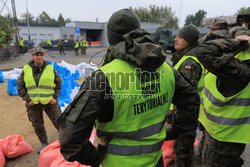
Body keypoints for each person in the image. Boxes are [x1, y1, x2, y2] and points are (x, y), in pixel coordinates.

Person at [58, 9, 200, 167]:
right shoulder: (167, 70)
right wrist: (172, 131)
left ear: (111, 38)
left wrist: (96, 156)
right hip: (155, 161)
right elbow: (191, 101)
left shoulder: (103, 78)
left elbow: (69, 141)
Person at [195, 26, 250, 167]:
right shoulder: (234, 57)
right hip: (215, 131)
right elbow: (201, 44)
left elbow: (202, 51)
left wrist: (238, 42)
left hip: (224, 138)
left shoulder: (243, 66)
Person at [169, 25, 205, 167]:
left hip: (185, 119)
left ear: (189, 40)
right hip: (186, 117)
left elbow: (186, 96)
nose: (175, 39)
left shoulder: (189, 62)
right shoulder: (186, 57)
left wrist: (177, 123)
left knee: (182, 155)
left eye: (180, 36)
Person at [17, 46, 62, 154]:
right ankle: (44, 143)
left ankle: (65, 140)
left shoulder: (50, 68)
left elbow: (59, 83)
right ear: (33, 56)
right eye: (37, 55)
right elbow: (20, 86)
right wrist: (28, 99)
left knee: (59, 121)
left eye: (41, 55)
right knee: (37, 124)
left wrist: (54, 97)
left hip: (50, 102)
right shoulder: (26, 69)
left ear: (43, 56)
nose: (39, 57)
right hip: (33, 103)